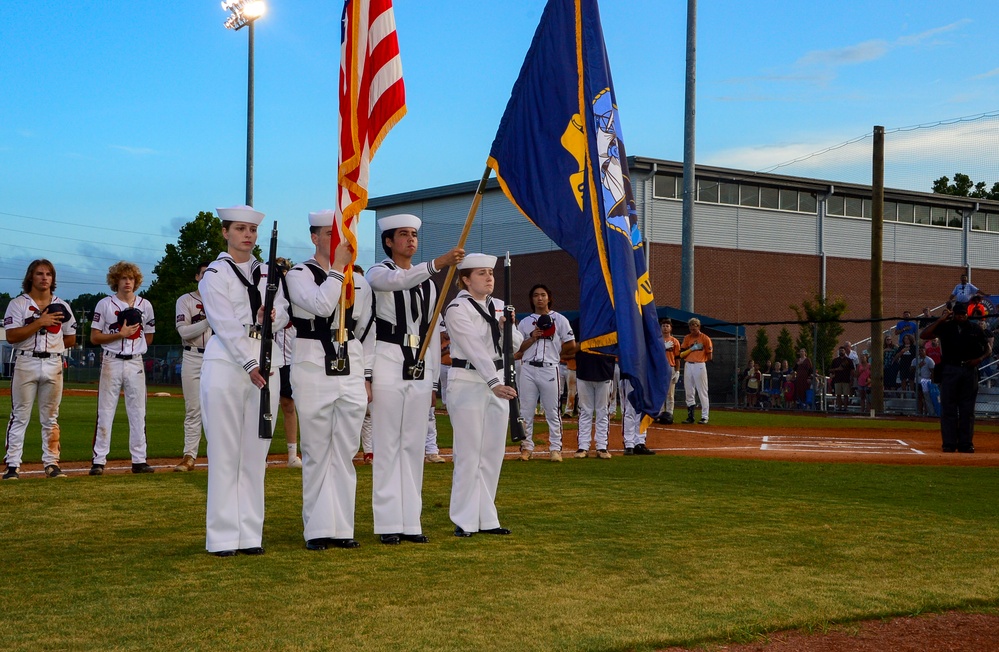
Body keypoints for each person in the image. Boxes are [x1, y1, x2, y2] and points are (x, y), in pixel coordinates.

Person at [366, 213, 461, 545]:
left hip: (419, 364)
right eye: (403, 235)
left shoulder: (430, 283)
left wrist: (433, 380)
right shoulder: (377, 272)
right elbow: (396, 283)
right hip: (388, 358)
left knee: (412, 444)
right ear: (389, 241)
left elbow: (432, 331)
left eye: (414, 235)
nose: (410, 240)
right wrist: (438, 263)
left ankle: (411, 521)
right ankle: (388, 522)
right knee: (388, 442)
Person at [200, 205, 289, 556]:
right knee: (225, 453)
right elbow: (223, 323)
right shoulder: (215, 274)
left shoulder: (269, 273)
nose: (248, 235)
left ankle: (250, 534)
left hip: (268, 363)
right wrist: (250, 363)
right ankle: (222, 537)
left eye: (252, 230)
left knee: (255, 455)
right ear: (225, 233)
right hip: (228, 363)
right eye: (240, 229)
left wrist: (274, 315)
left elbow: (283, 311)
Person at [285, 210, 373, 551]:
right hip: (312, 364)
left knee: (345, 450)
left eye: (343, 234)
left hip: (348, 365)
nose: (338, 240)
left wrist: (365, 374)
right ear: (314, 237)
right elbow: (322, 306)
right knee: (318, 448)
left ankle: (342, 527)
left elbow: (364, 327)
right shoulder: (299, 274)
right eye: (329, 233)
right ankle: (318, 529)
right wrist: (338, 268)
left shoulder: (360, 281)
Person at [443, 254, 522, 537]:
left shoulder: (499, 306)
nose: (489, 277)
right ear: (465, 279)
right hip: (468, 381)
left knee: (492, 453)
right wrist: (492, 382)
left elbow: (515, 344)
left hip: (497, 378)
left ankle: (487, 517)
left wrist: (507, 326)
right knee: (469, 453)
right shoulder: (456, 308)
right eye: (481, 273)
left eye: (490, 272)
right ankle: (464, 520)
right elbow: (473, 347)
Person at [2, 260, 77, 480]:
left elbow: (71, 337)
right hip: (26, 361)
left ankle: (51, 464)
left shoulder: (62, 305)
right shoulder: (18, 304)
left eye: (48, 274)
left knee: (51, 417)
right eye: (39, 274)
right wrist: (40, 322)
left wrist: (54, 341)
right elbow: (12, 336)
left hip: (53, 362)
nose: (44, 278)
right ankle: (13, 465)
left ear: (53, 279)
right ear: (30, 277)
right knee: (19, 416)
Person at [89, 261, 156, 475]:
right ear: (115, 281)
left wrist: (135, 343)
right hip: (112, 360)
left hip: (135, 361)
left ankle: (139, 460)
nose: (128, 282)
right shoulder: (105, 304)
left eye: (131, 278)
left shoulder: (145, 305)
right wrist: (120, 335)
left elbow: (149, 335)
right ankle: (99, 461)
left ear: (136, 282)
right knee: (105, 411)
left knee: (138, 412)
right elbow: (94, 337)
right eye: (123, 278)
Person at [920, 302, 992, 453]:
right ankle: (949, 443)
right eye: (958, 314)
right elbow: (924, 335)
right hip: (950, 369)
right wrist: (940, 319)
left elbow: (988, 349)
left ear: (967, 314)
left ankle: (966, 443)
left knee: (967, 409)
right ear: (954, 314)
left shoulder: (974, 328)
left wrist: (978, 360)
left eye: (963, 314)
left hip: (969, 369)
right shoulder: (946, 326)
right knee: (948, 408)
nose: (961, 317)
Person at [515, 284, 576, 461]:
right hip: (528, 367)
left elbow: (571, 344)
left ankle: (555, 448)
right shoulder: (526, 322)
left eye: (543, 295)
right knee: (526, 409)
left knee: (552, 410)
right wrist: (533, 337)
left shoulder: (560, 319)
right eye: (536, 295)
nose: (539, 298)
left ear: (549, 298)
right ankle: (526, 448)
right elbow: (518, 348)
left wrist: (557, 354)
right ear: (531, 299)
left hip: (550, 367)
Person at [174, 262, 213, 472]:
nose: (207, 277)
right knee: (193, 409)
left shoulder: (222, 300)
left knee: (218, 409)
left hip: (217, 358)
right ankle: (189, 455)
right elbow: (184, 332)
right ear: (197, 277)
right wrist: (210, 320)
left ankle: (218, 455)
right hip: (193, 356)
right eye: (204, 274)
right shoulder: (186, 300)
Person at [274, 258, 303, 469]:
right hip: (271, 357)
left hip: (292, 357)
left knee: (289, 405)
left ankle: (292, 453)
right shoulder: (267, 295)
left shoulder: (297, 296)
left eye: (284, 272)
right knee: (263, 406)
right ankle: (261, 455)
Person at [573, 345, 614, 458]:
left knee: (603, 410)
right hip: (584, 370)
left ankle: (602, 446)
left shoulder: (609, 327)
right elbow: (572, 344)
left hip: (604, 371)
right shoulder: (581, 327)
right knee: (585, 411)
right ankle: (583, 446)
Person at [680, 317, 712, 424]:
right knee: (689, 390)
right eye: (691, 328)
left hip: (699, 365)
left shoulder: (705, 338)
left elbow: (710, 355)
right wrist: (692, 349)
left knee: (702, 391)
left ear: (699, 327)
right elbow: (682, 352)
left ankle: (705, 416)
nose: (692, 330)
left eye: (695, 328)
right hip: (688, 364)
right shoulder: (687, 338)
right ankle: (690, 416)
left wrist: (700, 359)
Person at [655, 319, 681, 424]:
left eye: (667, 326)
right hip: (659, 367)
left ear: (670, 328)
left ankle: (669, 414)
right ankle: (659, 413)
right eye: (663, 326)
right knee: (659, 391)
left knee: (670, 393)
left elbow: (677, 357)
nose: (665, 328)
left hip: (670, 367)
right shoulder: (657, 340)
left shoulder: (675, 341)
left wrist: (677, 371)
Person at [829, 346, 855, 412]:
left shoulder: (848, 360)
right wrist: (837, 369)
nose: (841, 352)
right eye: (840, 350)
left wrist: (851, 379)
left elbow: (852, 370)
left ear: (845, 351)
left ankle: (845, 408)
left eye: (842, 350)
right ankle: (839, 408)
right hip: (837, 380)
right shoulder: (835, 360)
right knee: (838, 394)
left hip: (846, 380)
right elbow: (830, 370)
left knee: (846, 395)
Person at [912, 347, 936, 417]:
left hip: (926, 380)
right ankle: (920, 412)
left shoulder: (929, 360)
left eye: (922, 351)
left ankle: (928, 412)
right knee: (919, 397)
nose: (920, 352)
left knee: (926, 397)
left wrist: (932, 381)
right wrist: (918, 365)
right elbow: (911, 369)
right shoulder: (915, 360)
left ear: (925, 351)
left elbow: (932, 371)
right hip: (917, 381)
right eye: (919, 351)